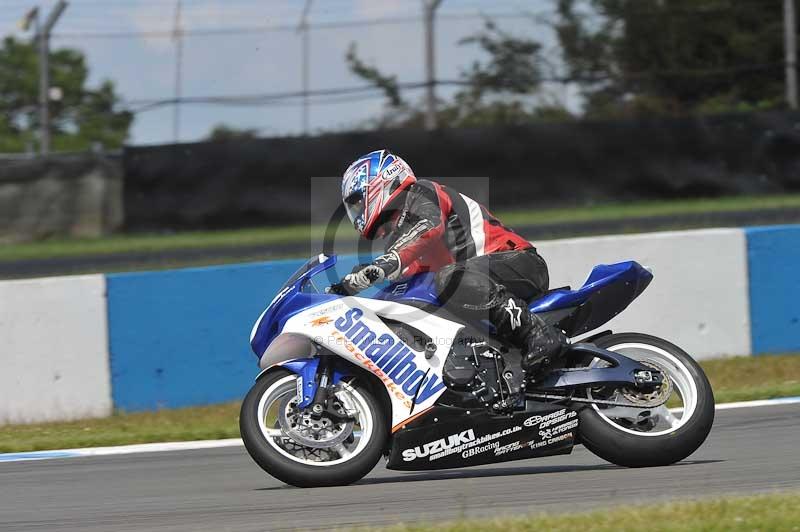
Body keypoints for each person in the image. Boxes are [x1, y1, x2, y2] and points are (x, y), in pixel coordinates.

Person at [337, 149, 567, 381]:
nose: (356, 212)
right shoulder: (399, 244)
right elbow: (404, 290)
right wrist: (349, 301)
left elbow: (429, 226)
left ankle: (537, 333)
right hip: (479, 284)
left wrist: (386, 263)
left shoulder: (422, 193)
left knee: (450, 278)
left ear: (379, 183)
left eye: (357, 202)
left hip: (519, 262)